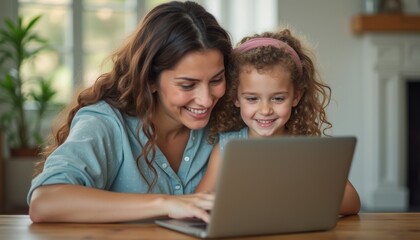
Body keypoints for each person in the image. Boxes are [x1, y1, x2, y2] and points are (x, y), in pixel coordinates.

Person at [27, 1, 232, 223]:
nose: (206, 99)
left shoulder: (227, 121)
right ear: (150, 79)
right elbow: (45, 202)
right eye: (187, 85)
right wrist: (166, 203)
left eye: (216, 80)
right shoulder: (107, 122)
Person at [195, 29, 361, 215]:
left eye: (278, 98)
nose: (265, 110)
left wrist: (295, 197)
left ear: (296, 96)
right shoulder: (226, 148)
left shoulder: (307, 148)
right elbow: (198, 201)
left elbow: (352, 201)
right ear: (235, 98)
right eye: (252, 99)